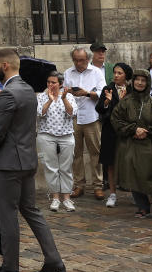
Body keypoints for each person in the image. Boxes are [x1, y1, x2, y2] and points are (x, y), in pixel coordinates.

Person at [0, 48, 64, 272]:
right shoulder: (28, 89)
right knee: (31, 210)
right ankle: (53, 259)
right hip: (27, 159)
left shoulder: (9, 93)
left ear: (5, 66)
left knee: (7, 214)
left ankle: (10, 268)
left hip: (10, 162)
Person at [110, 70, 152, 218]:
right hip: (131, 145)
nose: (140, 83)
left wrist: (148, 132)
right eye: (137, 80)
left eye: (143, 80)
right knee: (134, 176)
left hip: (151, 146)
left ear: (147, 83)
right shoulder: (125, 102)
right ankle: (142, 207)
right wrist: (133, 130)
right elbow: (116, 120)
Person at [63, 47, 106, 200]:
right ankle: (79, 184)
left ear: (87, 59)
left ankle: (98, 185)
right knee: (76, 153)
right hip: (74, 117)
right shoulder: (68, 73)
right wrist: (67, 92)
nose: (78, 63)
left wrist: (86, 93)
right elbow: (64, 93)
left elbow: (104, 93)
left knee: (96, 152)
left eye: (81, 60)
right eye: (75, 60)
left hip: (91, 116)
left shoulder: (96, 72)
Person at [35, 71, 76, 212]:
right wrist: (50, 100)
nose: (50, 85)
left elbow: (72, 113)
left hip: (66, 135)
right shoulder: (41, 96)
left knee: (66, 167)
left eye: (53, 82)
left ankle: (66, 197)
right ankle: (55, 197)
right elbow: (40, 113)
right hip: (47, 134)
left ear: (60, 84)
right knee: (51, 167)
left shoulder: (69, 96)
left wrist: (63, 98)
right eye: (49, 82)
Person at [98, 63, 132, 208]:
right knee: (110, 163)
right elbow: (99, 108)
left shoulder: (132, 89)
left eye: (120, 73)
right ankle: (112, 193)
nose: (116, 76)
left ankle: (134, 192)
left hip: (127, 131)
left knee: (129, 162)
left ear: (126, 75)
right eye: (115, 73)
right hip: (110, 130)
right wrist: (107, 101)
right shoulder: (108, 89)